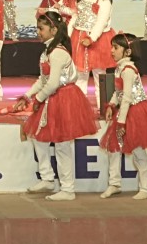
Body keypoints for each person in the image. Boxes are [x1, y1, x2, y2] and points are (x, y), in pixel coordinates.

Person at [21, 12, 94, 202]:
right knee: (39, 137)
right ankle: (47, 178)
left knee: (62, 144)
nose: (38, 32)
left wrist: (38, 99)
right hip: (53, 97)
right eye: (37, 28)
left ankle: (68, 189)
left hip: (64, 98)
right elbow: (43, 80)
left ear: (53, 30)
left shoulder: (57, 52)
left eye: (41, 28)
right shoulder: (48, 51)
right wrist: (27, 96)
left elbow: (53, 83)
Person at [98, 33, 147, 200]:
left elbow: (127, 97)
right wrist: (111, 105)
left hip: (135, 112)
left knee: (137, 150)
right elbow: (119, 92)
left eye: (115, 47)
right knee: (114, 148)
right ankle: (114, 184)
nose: (111, 51)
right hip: (124, 111)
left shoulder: (128, 70)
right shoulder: (120, 68)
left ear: (127, 52)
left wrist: (121, 122)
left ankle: (145, 188)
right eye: (112, 47)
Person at [73, 0, 117, 95]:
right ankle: (80, 103)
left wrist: (91, 38)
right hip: (80, 38)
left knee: (99, 74)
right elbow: (75, 18)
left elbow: (101, 22)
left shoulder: (104, 1)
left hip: (98, 40)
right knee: (81, 75)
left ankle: (103, 104)